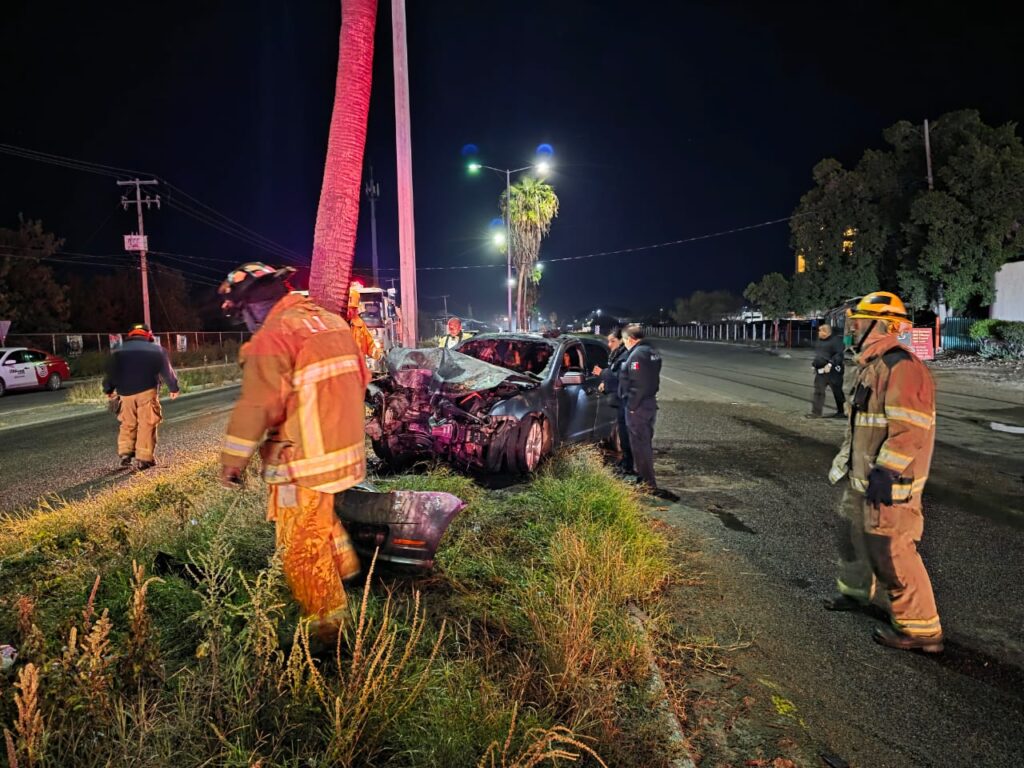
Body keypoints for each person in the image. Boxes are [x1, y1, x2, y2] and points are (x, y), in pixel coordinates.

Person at [217, 262, 370, 642]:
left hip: (303, 463)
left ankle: (327, 628)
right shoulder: (329, 321)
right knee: (319, 516)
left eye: (243, 315)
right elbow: (362, 376)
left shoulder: (274, 336)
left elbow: (257, 406)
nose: (247, 325)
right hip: (345, 453)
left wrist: (233, 462)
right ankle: (346, 566)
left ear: (252, 307)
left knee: (298, 544)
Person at [826, 291, 943, 653]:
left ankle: (922, 630)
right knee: (854, 539)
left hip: (890, 484)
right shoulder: (872, 365)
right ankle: (856, 594)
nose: (851, 330)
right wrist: (847, 465)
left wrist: (886, 471)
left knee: (891, 552)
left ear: (884, 326)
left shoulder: (902, 367)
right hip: (863, 479)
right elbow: (862, 426)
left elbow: (910, 429)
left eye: (858, 323)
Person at [102, 323, 179, 470]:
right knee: (147, 423)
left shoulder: (118, 351)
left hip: (125, 393)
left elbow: (111, 373)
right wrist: (173, 387)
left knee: (127, 422)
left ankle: (125, 453)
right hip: (147, 391)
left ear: (130, 334)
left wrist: (108, 389)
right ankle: (144, 459)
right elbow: (167, 372)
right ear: (148, 334)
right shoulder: (157, 350)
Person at [619, 324, 668, 496]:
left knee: (640, 446)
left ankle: (648, 484)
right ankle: (644, 479)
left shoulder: (638, 354)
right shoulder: (651, 351)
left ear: (630, 339)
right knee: (643, 444)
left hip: (638, 407)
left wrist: (632, 406)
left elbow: (639, 384)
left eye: (624, 340)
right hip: (648, 404)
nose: (624, 344)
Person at [593, 327, 633, 475]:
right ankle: (626, 464)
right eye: (608, 341)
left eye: (612, 341)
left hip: (628, 401)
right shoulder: (619, 354)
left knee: (627, 435)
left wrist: (602, 373)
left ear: (622, 340)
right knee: (623, 434)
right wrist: (605, 379)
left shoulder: (627, 355)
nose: (609, 344)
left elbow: (621, 374)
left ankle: (629, 468)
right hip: (622, 399)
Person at [808, 323, 846, 418]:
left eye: (821, 331)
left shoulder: (836, 341)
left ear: (826, 332)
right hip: (821, 371)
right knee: (818, 391)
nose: (819, 332)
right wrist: (814, 365)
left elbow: (839, 355)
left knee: (837, 391)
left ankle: (842, 411)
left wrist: (830, 364)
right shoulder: (820, 341)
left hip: (833, 372)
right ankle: (816, 412)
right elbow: (819, 354)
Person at [347, 283, 382, 362]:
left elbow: (370, 345)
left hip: (357, 367)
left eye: (353, 308)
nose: (350, 311)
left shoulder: (359, 325)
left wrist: (379, 355)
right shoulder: (337, 325)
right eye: (349, 308)